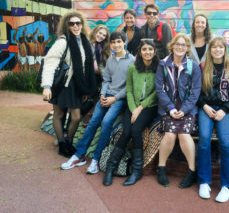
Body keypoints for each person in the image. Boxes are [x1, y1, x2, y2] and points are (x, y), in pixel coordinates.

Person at [60, 31, 135, 174]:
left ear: (124, 42)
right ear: (111, 44)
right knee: (94, 121)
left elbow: (130, 86)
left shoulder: (132, 60)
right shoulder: (111, 59)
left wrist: (115, 98)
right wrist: (102, 94)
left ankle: (96, 159)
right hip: (106, 95)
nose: (116, 44)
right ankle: (79, 154)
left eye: (119, 41)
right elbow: (106, 79)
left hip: (120, 99)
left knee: (106, 122)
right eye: (113, 42)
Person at [103, 39, 159, 186]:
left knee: (135, 129)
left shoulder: (159, 67)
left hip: (149, 106)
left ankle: (136, 170)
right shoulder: (133, 67)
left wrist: (140, 109)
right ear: (140, 52)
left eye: (150, 49)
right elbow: (128, 90)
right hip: (132, 105)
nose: (147, 52)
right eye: (144, 49)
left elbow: (157, 92)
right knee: (126, 131)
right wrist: (133, 108)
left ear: (154, 51)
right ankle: (110, 167)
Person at [41, 10, 96, 157]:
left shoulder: (84, 41)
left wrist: (85, 87)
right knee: (59, 114)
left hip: (77, 84)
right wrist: (46, 86)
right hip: (63, 84)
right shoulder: (62, 42)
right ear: (67, 25)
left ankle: (69, 141)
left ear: (82, 24)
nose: (75, 26)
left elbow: (86, 66)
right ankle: (62, 144)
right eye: (72, 23)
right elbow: (49, 63)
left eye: (78, 23)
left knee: (76, 116)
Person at [155, 33, 201, 188]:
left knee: (183, 134)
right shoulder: (163, 64)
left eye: (184, 45)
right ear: (172, 46)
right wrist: (171, 108)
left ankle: (191, 171)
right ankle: (161, 168)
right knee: (169, 135)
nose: (180, 47)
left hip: (187, 108)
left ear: (187, 48)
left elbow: (196, 92)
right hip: (169, 107)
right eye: (178, 44)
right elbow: (159, 89)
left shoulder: (193, 66)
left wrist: (185, 109)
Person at [197, 36, 229, 203]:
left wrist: (225, 109)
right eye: (214, 47)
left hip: (225, 109)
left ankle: (227, 186)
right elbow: (195, 92)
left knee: (225, 142)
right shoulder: (203, 66)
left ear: (225, 49)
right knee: (204, 140)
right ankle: (204, 181)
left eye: (220, 47)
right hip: (206, 107)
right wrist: (204, 106)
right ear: (210, 50)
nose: (217, 50)